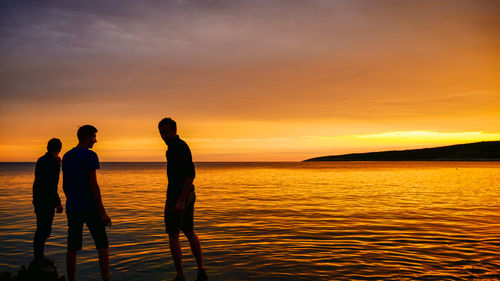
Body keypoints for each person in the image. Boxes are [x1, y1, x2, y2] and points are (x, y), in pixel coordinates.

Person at [158, 117, 207, 281]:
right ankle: (201, 271)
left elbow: (190, 174)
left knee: (173, 235)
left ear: (174, 130)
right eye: (161, 133)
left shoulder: (179, 147)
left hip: (179, 196)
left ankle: (181, 276)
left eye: (166, 132)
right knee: (188, 230)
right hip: (184, 195)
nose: (163, 135)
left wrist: (181, 200)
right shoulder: (171, 148)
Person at [62, 125, 111, 281]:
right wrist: (102, 211)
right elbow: (93, 185)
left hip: (72, 207)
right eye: (93, 136)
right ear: (85, 136)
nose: (95, 140)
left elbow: (65, 185)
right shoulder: (90, 155)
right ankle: (106, 279)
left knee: (72, 246)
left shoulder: (67, 156)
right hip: (90, 207)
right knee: (102, 244)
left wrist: (72, 199)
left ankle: (71, 279)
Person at [32, 138, 64, 268]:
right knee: (44, 231)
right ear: (59, 149)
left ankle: (39, 257)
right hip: (46, 201)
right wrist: (58, 203)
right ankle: (39, 260)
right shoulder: (53, 162)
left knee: (42, 229)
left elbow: (41, 181)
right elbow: (51, 185)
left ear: (47, 147)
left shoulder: (41, 159)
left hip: (38, 199)